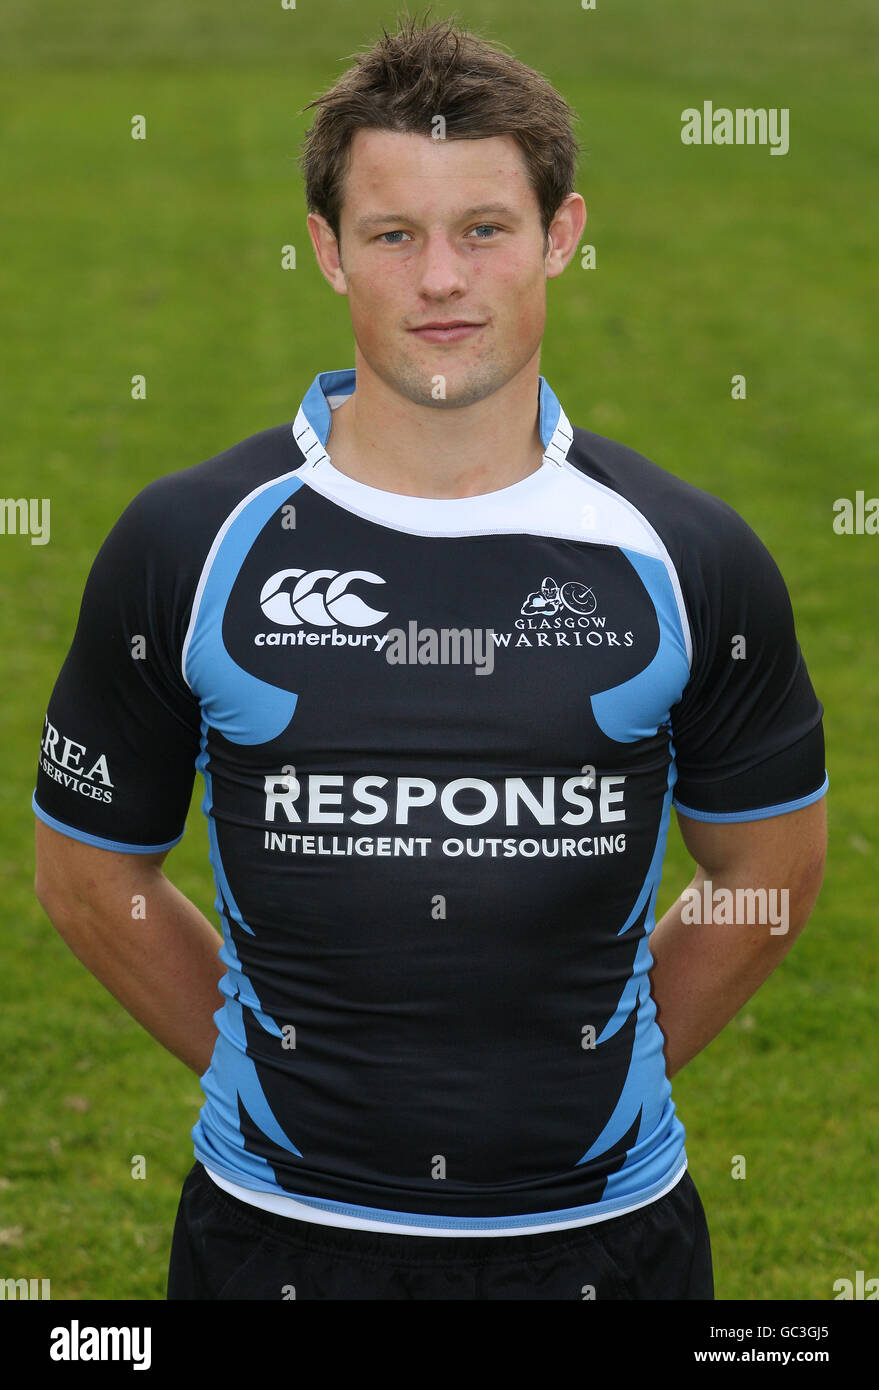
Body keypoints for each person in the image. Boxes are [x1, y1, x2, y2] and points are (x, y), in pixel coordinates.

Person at [32, 16, 827, 1301]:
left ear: (561, 236)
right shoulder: (191, 541)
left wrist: (594, 1071)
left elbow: (772, 869)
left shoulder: (687, 553)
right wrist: (267, 1065)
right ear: (329, 252)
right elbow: (86, 872)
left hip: (603, 1248)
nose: (441, 280)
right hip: (273, 1240)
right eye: (395, 234)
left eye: (485, 230)